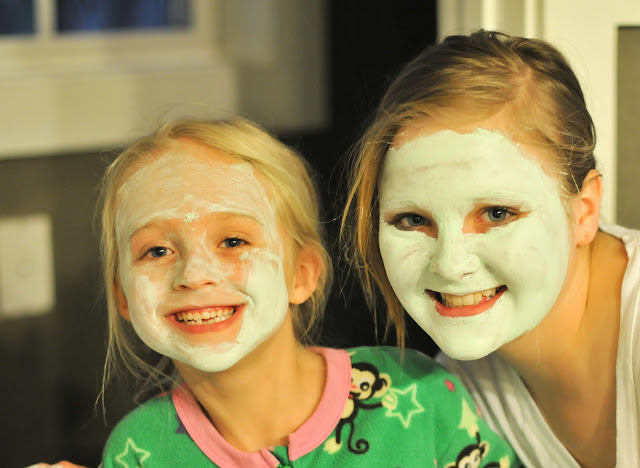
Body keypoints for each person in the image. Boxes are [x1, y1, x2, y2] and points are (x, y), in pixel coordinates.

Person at [32, 117, 519, 468]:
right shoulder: (141, 451)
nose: (194, 275)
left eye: (233, 241)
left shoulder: (418, 394)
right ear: (122, 296)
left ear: (301, 274)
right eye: (156, 251)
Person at [342, 29, 639, 467]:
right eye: (413, 220)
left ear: (584, 211)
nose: (450, 265)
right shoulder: (456, 393)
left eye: (497, 213)